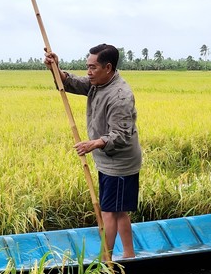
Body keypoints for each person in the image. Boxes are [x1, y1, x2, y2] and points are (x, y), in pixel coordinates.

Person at [44, 44, 142, 259]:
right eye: (87, 67)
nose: (88, 72)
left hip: (119, 162)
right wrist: (55, 69)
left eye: (92, 68)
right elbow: (73, 83)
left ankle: (104, 261)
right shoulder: (99, 82)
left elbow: (122, 135)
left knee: (109, 211)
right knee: (119, 210)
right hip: (109, 160)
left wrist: (94, 143)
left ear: (108, 67)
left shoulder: (120, 96)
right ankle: (129, 254)